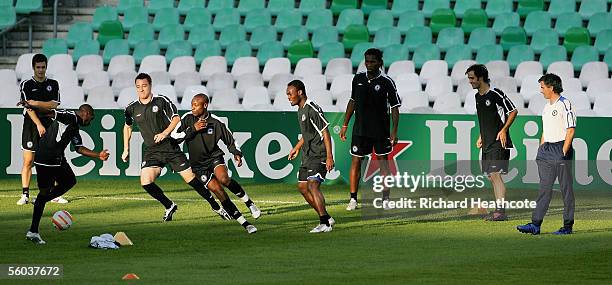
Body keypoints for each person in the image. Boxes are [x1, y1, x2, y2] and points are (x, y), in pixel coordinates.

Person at [122, 73, 230, 222]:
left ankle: (216, 207)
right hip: (152, 151)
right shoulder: (131, 108)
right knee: (145, 181)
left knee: (192, 180)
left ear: (150, 85)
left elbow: (176, 118)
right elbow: (127, 127)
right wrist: (126, 148)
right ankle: (169, 205)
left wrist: (165, 133)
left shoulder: (161, 101)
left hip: (170, 147)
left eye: (144, 86)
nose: (141, 89)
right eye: (138, 87)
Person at [23, 104, 110, 244]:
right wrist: (32, 106)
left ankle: (42, 201)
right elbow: (52, 113)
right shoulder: (70, 116)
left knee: (70, 181)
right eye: (91, 117)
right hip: (46, 158)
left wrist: (98, 155)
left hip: (57, 159)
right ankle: (33, 231)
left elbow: (79, 148)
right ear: (85, 113)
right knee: (45, 193)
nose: (91, 121)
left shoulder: (74, 125)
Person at [172, 94, 258, 234]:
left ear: (205, 105)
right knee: (219, 191)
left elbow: (229, 139)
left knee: (224, 179)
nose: (192, 107)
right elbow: (174, 138)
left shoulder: (215, 122)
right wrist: (193, 129)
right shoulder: (187, 118)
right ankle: (245, 223)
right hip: (198, 166)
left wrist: (236, 153)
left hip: (214, 157)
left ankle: (249, 203)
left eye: (196, 105)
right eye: (192, 104)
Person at [339, 48, 401, 210]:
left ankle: (386, 199)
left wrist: (394, 132)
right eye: (367, 61)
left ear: (380, 62)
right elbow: (352, 100)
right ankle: (353, 199)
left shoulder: (387, 82)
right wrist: (345, 124)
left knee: (384, 164)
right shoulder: (358, 78)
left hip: (380, 131)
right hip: (360, 130)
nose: (369, 64)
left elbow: (395, 107)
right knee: (356, 161)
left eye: (373, 61)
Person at [518, 74, 576, 235]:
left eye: (542, 87)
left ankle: (567, 226)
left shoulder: (565, 104)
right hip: (546, 151)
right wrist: (541, 148)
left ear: (551, 87)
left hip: (560, 149)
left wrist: (563, 151)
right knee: (544, 189)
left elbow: (570, 129)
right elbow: (545, 130)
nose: (541, 90)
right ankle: (535, 224)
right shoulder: (546, 107)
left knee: (566, 189)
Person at [466, 64, 518, 221]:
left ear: (481, 78)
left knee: (495, 175)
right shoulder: (477, 97)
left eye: (472, 78)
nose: (470, 81)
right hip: (487, 142)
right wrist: (481, 136)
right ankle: (498, 210)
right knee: (491, 176)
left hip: (498, 142)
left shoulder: (495, 93)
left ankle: (500, 212)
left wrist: (503, 130)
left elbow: (513, 111)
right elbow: (485, 119)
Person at [17, 53, 68, 205]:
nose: (41, 70)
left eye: (43, 67)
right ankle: (25, 194)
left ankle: (54, 194)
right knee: (28, 161)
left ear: (46, 67)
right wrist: (38, 124)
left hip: (50, 124)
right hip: (31, 125)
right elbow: (28, 107)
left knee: (52, 160)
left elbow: (54, 104)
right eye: (38, 67)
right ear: (33, 68)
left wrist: (36, 102)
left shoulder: (53, 83)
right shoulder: (26, 84)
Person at [286, 80, 335, 233]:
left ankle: (324, 223)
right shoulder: (300, 109)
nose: (288, 97)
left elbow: (325, 133)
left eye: (290, 93)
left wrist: (329, 157)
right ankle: (326, 217)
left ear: (300, 92)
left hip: (318, 154)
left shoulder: (312, 109)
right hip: (306, 155)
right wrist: (296, 147)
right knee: (302, 187)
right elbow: (307, 134)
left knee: (313, 186)